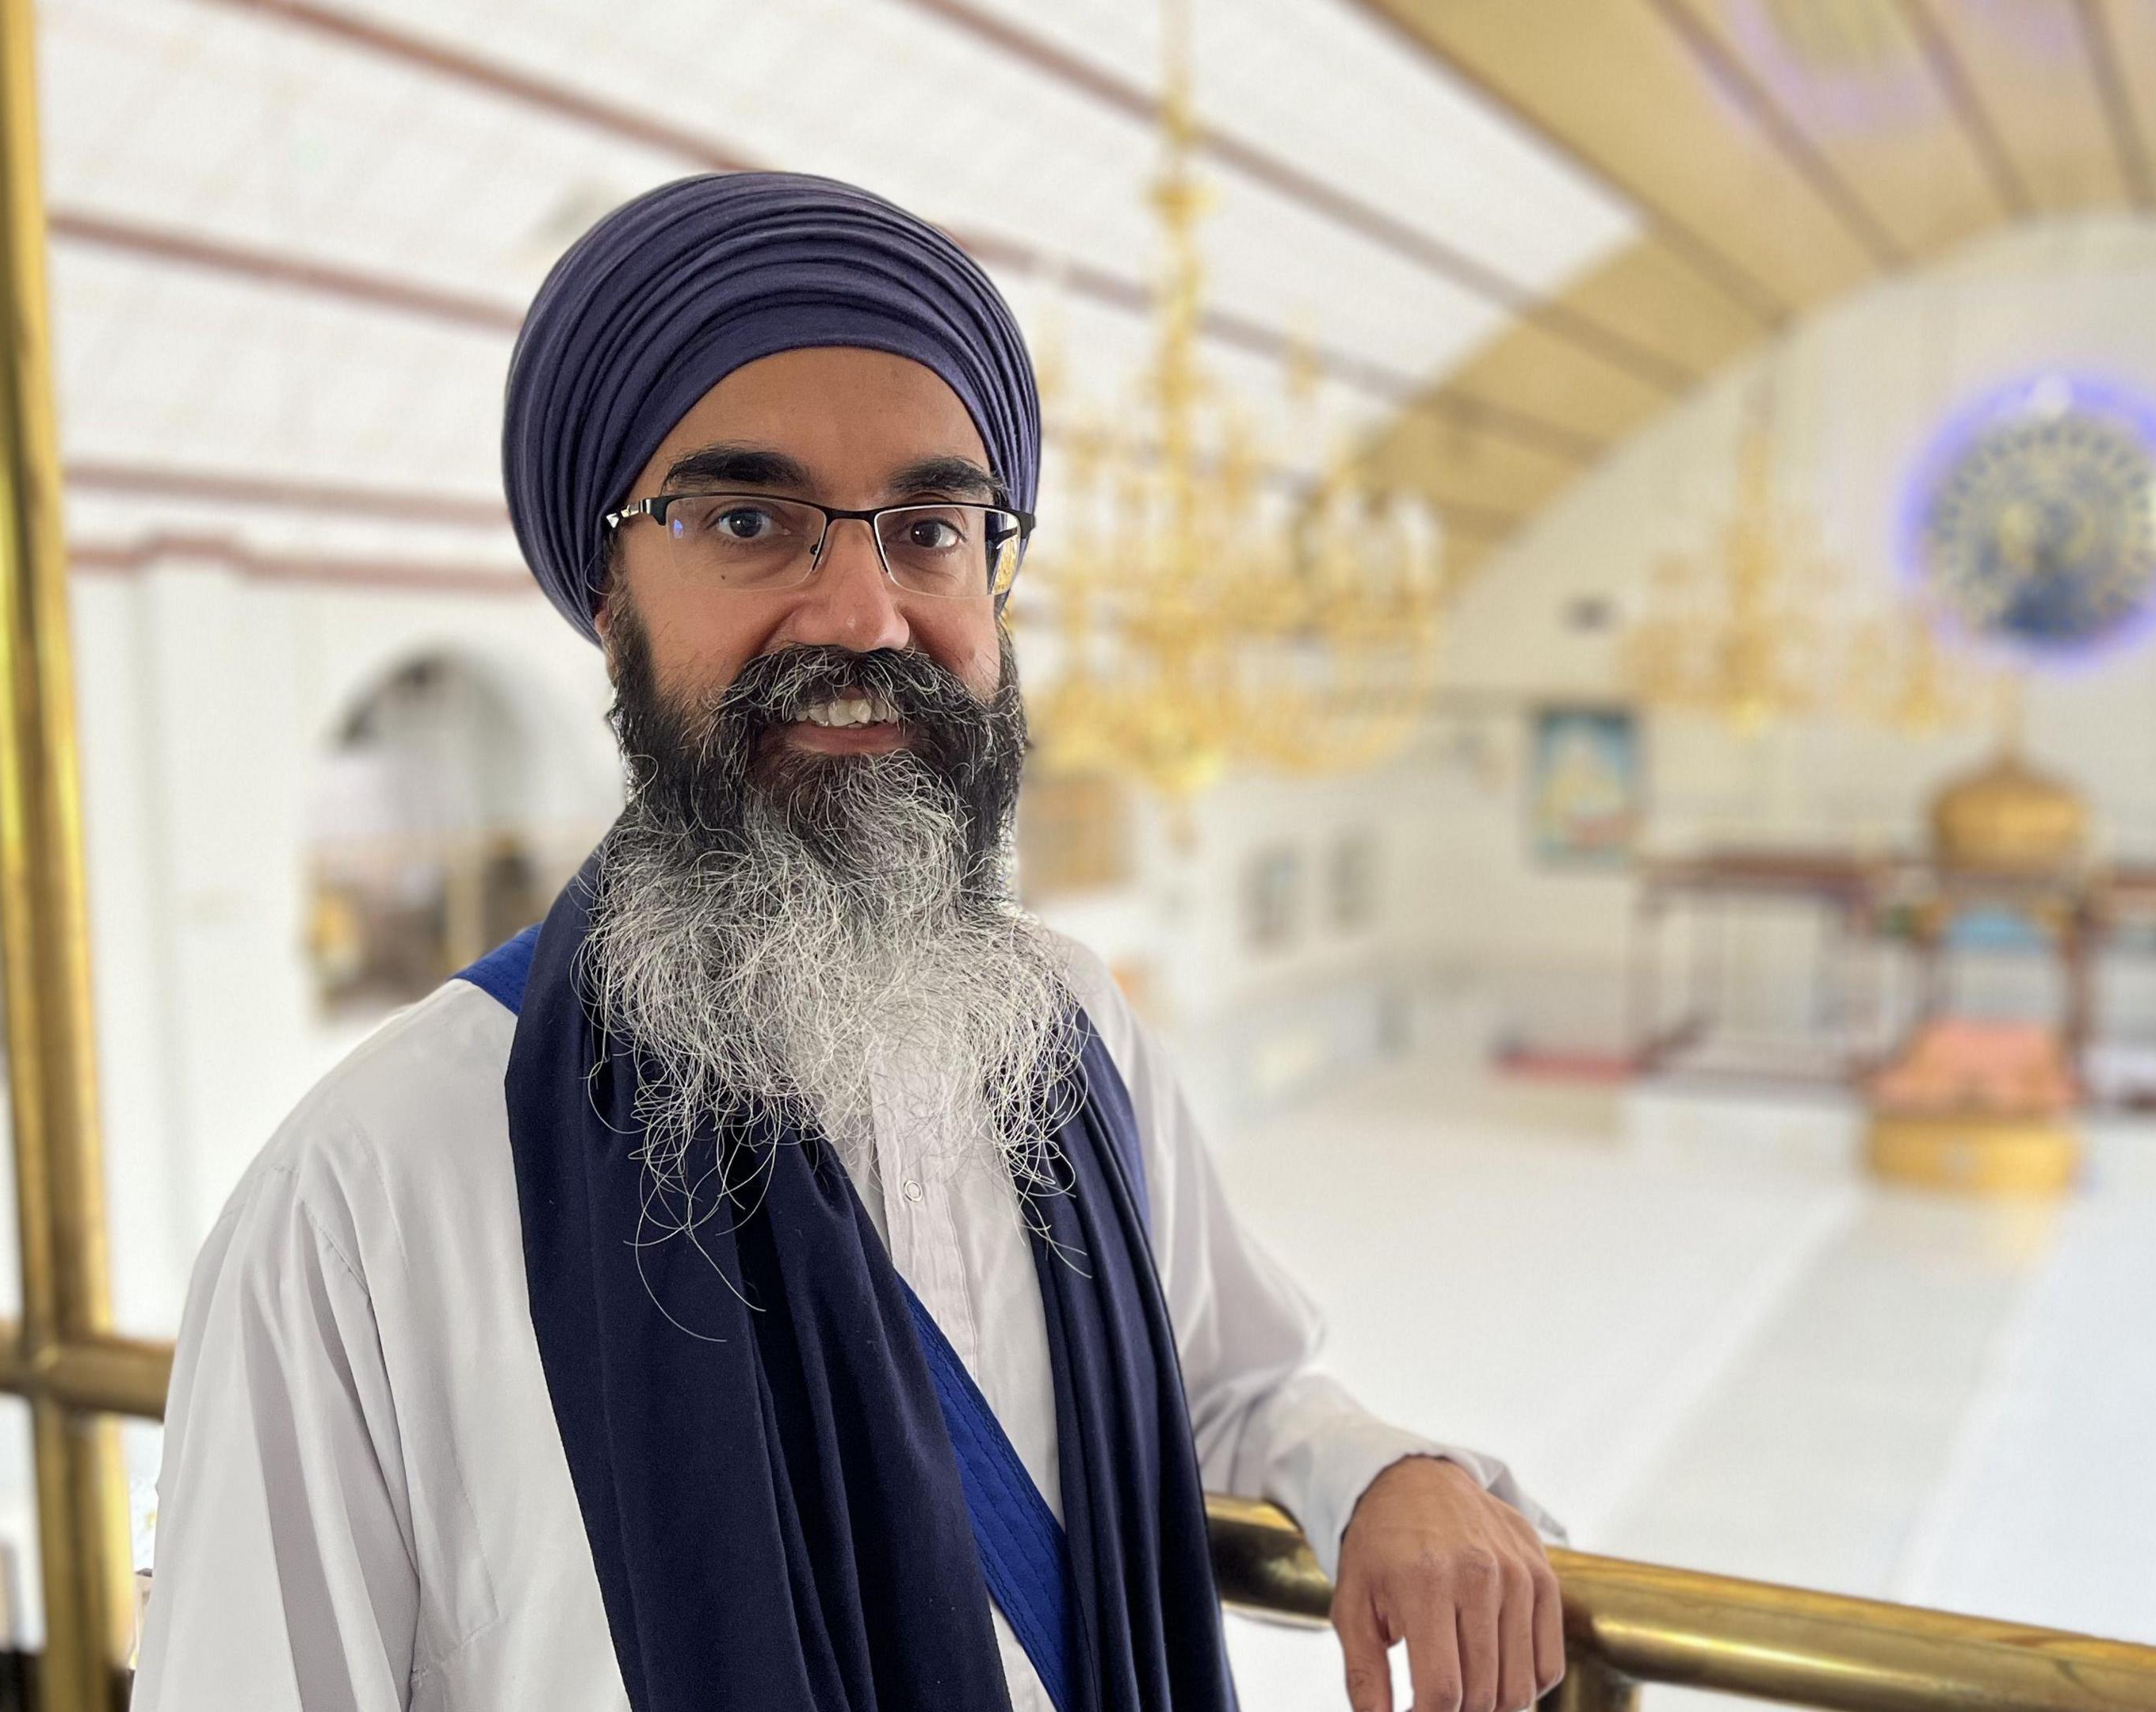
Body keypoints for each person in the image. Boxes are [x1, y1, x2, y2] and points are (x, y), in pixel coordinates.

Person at [136, 172, 1562, 1712]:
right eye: (752, 520)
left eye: (933, 527)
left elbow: (1228, 1379)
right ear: (606, 592)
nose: (868, 613)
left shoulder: (1064, 1027)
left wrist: (1375, 1472)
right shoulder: (375, 1188)